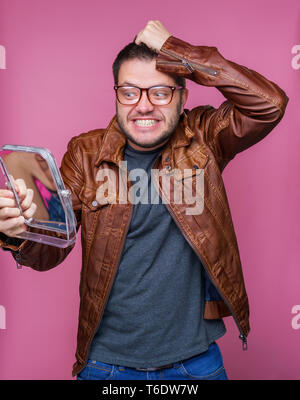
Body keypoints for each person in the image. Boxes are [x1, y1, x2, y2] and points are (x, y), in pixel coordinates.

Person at [0, 21, 288, 380]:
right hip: (105, 366)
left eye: (160, 92)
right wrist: (19, 234)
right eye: (130, 92)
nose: (144, 106)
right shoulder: (85, 153)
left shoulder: (204, 138)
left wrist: (175, 48)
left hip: (195, 364)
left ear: (183, 97)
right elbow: (52, 250)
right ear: (116, 95)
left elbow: (269, 103)